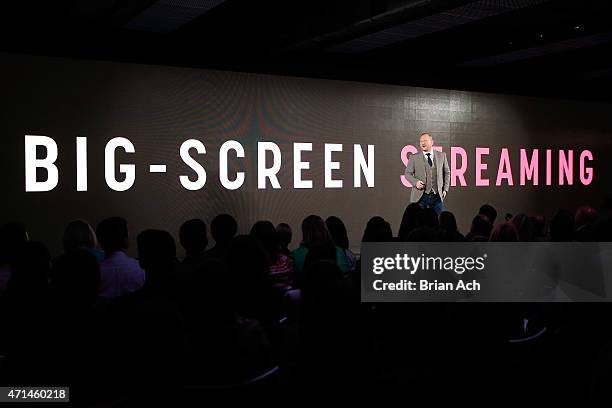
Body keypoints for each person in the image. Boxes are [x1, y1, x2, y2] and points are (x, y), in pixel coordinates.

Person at [96, 217, 145, 298]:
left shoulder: (94, 273)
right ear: (125, 239)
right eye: (127, 232)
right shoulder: (140, 269)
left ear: (100, 241)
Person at [403, 132, 450, 215]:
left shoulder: (442, 155)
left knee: (438, 222)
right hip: (420, 197)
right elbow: (407, 173)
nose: (422, 143)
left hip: (437, 197)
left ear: (432, 142)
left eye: (425, 140)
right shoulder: (414, 157)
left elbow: (447, 173)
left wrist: (445, 189)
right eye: (421, 141)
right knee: (419, 222)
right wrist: (416, 182)